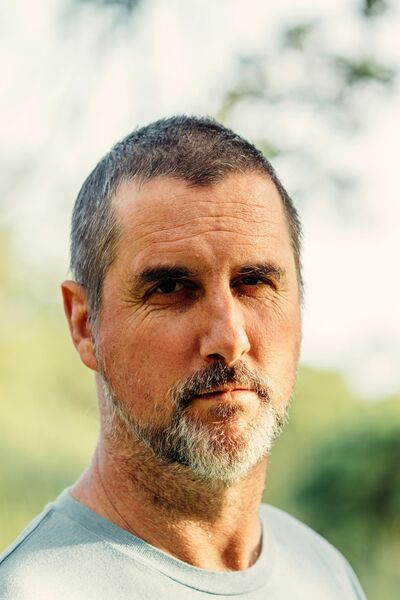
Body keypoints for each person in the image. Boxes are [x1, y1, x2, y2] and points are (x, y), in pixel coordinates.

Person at [0, 116, 367, 599]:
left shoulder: (326, 574)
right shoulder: (30, 590)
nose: (229, 339)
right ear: (84, 324)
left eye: (254, 282)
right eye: (172, 287)